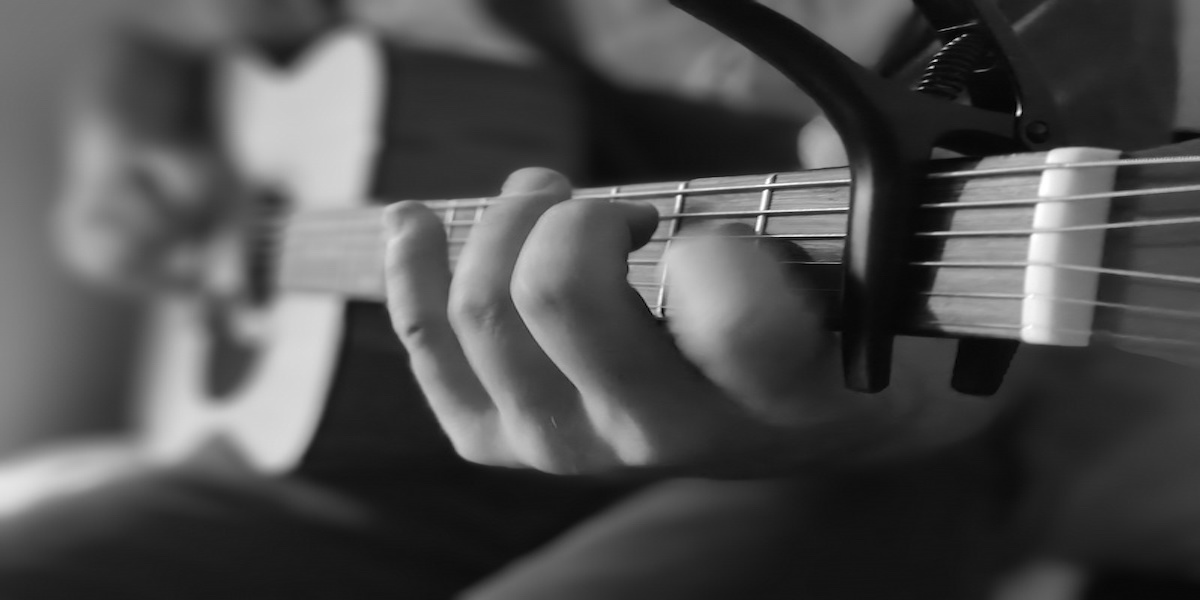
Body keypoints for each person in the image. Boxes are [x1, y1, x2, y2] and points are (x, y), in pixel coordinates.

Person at [1, 1, 1184, 599]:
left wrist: (900, 403)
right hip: (363, 424)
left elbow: (1034, 196)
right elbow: (160, 32)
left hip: (880, 419)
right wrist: (123, 140)